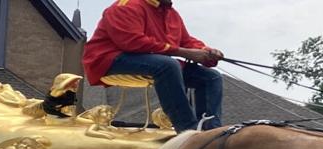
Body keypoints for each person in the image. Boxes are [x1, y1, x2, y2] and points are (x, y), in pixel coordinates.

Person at [83, 0, 224, 133]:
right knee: (168, 65)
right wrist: (183, 52)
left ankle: (210, 131)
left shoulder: (170, 13)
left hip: (150, 59)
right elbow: (132, 42)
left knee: (211, 77)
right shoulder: (126, 6)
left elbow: (186, 41)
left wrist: (206, 51)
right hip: (109, 58)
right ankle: (187, 129)